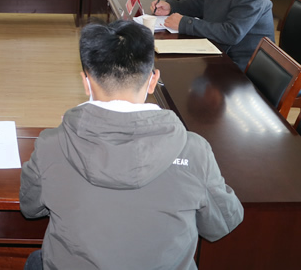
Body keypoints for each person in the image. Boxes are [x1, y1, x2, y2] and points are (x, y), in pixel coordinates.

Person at [20, 20, 243, 270]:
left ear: (86, 82)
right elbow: (223, 222)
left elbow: (30, 207)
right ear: (153, 80)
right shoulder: (195, 150)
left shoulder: (51, 144)